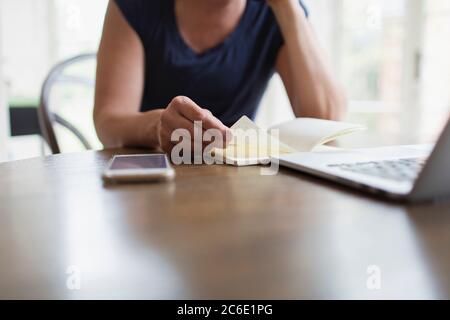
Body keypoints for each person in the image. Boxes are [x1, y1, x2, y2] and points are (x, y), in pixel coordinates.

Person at [94, 0, 346, 153]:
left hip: (236, 179)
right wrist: (158, 126)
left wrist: (288, 7)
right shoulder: (136, 6)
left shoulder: (274, 13)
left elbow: (325, 120)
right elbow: (108, 122)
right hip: (155, 173)